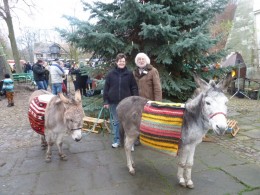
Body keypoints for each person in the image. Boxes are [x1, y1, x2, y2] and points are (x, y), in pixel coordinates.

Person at [103, 53, 138, 148]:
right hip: (114, 102)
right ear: (116, 62)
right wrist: (106, 101)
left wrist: (135, 100)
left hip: (127, 104)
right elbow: (106, 88)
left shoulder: (129, 74)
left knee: (128, 122)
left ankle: (129, 143)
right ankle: (117, 140)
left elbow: (134, 87)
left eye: (123, 61)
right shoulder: (111, 74)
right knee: (116, 122)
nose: (121, 63)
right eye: (120, 61)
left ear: (125, 62)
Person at [132, 52, 162, 149]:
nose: (141, 61)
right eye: (139, 59)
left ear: (146, 60)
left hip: (150, 101)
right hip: (138, 102)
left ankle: (152, 139)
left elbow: (157, 88)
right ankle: (139, 138)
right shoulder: (134, 72)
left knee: (151, 121)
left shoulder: (153, 71)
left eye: (142, 59)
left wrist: (157, 102)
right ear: (137, 61)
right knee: (139, 120)